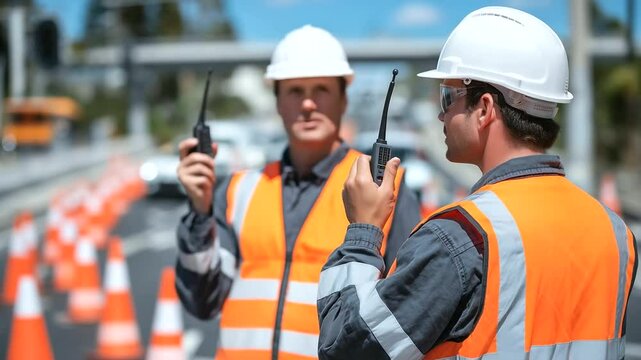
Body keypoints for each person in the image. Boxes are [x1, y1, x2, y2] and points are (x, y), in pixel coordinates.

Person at [317, 6, 638, 360]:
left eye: (447, 96)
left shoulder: (463, 236)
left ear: (484, 109)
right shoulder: (614, 231)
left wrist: (364, 229)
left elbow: (345, 349)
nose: (441, 114)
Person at [175, 24, 421, 359]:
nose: (307, 104)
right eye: (294, 91)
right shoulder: (238, 191)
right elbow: (202, 301)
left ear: (343, 99)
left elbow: (406, 316)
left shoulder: (381, 188)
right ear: (277, 101)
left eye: (321, 89)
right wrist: (200, 212)